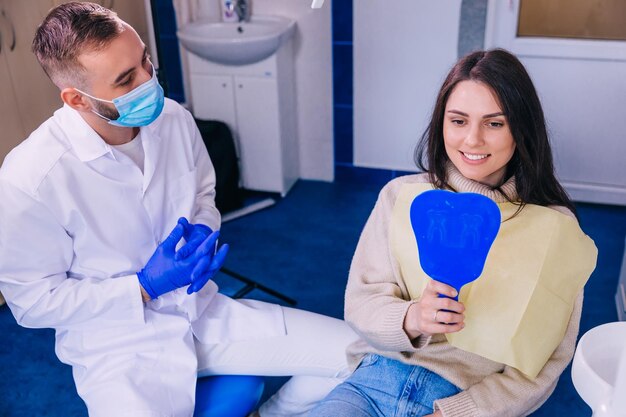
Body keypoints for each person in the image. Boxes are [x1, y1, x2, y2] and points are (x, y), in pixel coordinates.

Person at [0, 3, 357, 416]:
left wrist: (202, 233)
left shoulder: (172, 119)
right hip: (118, 347)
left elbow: (204, 193)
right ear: (77, 99)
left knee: (358, 355)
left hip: (200, 310)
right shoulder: (31, 178)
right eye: (126, 79)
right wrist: (144, 286)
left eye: (145, 60)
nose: (149, 79)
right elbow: (33, 302)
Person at [310, 49, 597, 417]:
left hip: (463, 399)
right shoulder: (401, 198)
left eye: (495, 123)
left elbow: (545, 364)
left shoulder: (554, 230)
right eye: (458, 121)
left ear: (521, 129)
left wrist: (456, 413)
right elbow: (361, 302)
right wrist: (413, 317)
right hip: (370, 384)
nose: (472, 140)